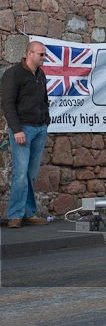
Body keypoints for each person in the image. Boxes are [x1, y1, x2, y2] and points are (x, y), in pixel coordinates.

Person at [1, 41, 50, 228]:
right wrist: (16, 129)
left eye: (44, 55)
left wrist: (46, 120)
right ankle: (15, 214)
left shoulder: (40, 74)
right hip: (22, 130)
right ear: (30, 54)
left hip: (39, 129)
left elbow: (44, 99)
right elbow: (7, 104)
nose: (44, 58)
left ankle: (29, 213)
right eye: (41, 55)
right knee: (20, 174)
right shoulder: (14, 74)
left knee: (30, 175)